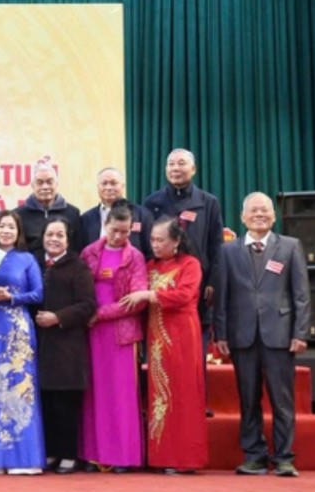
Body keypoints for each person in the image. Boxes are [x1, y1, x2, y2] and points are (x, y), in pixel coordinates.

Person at [214, 192, 311, 477]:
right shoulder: (227, 251)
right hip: (241, 335)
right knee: (248, 399)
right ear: (243, 217)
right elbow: (221, 296)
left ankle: (284, 457)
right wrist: (221, 333)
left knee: (282, 400)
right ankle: (254, 456)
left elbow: (301, 294)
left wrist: (300, 332)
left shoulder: (290, 246)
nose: (259, 215)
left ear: (274, 216)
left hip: (280, 335)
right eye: (254, 210)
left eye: (265, 210)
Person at [121, 218, 209, 473]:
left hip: (182, 336)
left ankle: (185, 458)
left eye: (161, 240)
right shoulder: (150, 266)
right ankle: (162, 456)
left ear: (176, 241)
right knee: (160, 393)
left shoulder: (190, 264)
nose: (155, 245)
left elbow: (185, 295)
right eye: (152, 240)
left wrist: (150, 295)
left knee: (182, 393)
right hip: (157, 338)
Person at [143, 148, 224, 409]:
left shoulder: (208, 202)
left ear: (194, 169)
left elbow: (216, 246)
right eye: (171, 164)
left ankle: (196, 402)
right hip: (162, 287)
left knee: (195, 350)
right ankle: (162, 403)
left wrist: (212, 282)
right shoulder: (152, 202)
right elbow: (148, 247)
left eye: (181, 163)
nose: (175, 168)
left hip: (195, 287)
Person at [0, 210, 45, 474]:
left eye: (11, 227)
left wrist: (12, 297)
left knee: (18, 386)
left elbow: (38, 294)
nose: (6, 231)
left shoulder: (27, 259)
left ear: (18, 231)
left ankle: (22, 459)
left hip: (18, 330)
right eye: (1, 226)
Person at [78, 201, 148, 472]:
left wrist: (100, 314)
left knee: (121, 395)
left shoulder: (135, 257)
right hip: (90, 332)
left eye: (124, 231)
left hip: (120, 333)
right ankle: (92, 454)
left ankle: (123, 456)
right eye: (114, 230)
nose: (119, 236)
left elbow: (136, 301)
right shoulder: (89, 252)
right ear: (105, 226)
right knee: (93, 394)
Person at [34, 218, 96, 474]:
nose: (54, 239)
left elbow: (88, 305)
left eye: (60, 235)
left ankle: (68, 455)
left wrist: (58, 317)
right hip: (41, 345)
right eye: (50, 234)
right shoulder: (36, 264)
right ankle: (50, 452)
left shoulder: (78, 267)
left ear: (68, 240)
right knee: (46, 402)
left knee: (65, 403)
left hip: (67, 345)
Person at [78, 167, 154, 259]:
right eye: (104, 183)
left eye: (113, 183)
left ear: (123, 186)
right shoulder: (86, 219)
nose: (109, 187)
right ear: (98, 187)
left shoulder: (142, 215)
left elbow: (150, 251)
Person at [18, 162, 83, 256]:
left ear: (56, 184)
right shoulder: (19, 215)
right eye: (40, 183)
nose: (45, 187)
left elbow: (76, 249)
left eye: (49, 182)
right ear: (32, 185)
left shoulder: (73, 213)